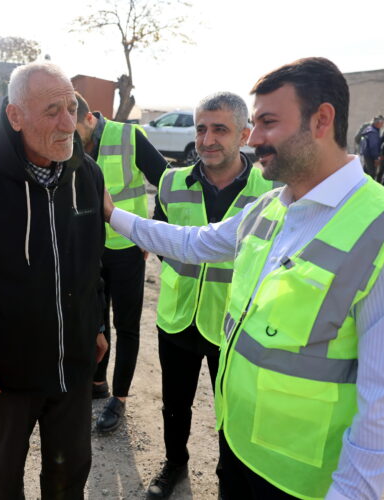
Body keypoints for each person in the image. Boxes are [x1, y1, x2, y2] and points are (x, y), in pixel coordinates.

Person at [104, 57, 384, 499]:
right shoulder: (272, 208)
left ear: (322, 120)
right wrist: (114, 217)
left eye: (267, 122)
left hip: (301, 483)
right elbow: (192, 243)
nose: (257, 139)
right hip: (240, 452)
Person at [0, 62, 107, 499]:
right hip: (7, 370)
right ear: (16, 117)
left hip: (74, 362)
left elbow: (93, 262)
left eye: (71, 108)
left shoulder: (86, 175)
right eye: (52, 110)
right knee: (7, 479)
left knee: (70, 473)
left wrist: (98, 324)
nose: (68, 123)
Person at [145, 91, 276, 499]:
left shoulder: (271, 190)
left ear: (244, 134)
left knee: (232, 410)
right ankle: (174, 463)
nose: (207, 139)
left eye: (220, 129)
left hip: (235, 325)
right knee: (174, 403)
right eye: (201, 129)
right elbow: (162, 240)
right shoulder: (171, 181)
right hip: (178, 315)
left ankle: (229, 476)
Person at [74, 91, 168, 433]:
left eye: (74, 132)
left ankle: (121, 399)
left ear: (88, 118)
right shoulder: (69, 142)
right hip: (89, 251)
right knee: (96, 320)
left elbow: (167, 182)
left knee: (126, 325)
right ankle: (98, 384)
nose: (70, 140)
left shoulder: (129, 136)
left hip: (128, 248)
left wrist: (148, 232)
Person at [359, 114, 384, 179]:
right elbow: (373, 146)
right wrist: (376, 158)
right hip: (370, 156)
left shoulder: (368, 129)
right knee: (371, 174)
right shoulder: (373, 132)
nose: (382, 125)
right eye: (382, 123)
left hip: (366, 154)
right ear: (378, 123)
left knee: (365, 173)